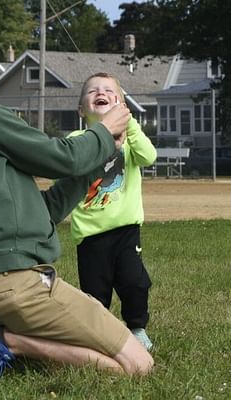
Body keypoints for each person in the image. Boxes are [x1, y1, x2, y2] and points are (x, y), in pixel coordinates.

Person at [0, 38, 154, 379]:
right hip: (14, 284)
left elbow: (43, 211)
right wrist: (105, 132)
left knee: (99, 340)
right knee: (139, 366)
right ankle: (3, 339)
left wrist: (100, 158)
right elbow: (62, 158)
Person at [65, 73, 157, 351]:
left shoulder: (130, 138)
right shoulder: (77, 139)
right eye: (92, 91)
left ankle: (136, 326)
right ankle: (100, 335)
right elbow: (67, 170)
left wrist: (129, 125)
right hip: (90, 235)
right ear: (82, 110)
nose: (100, 93)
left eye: (108, 91)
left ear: (121, 104)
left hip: (126, 230)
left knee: (135, 282)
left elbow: (148, 157)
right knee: (95, 293)